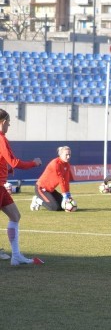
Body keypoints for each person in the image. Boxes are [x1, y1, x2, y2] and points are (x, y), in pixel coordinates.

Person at [0, 109, 44, 265]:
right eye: (9, 123)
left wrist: (6, 169)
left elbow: (6, 162)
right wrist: (34, 163)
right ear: (3, 122)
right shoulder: (1, 139)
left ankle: (16, 255)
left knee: (15, 216)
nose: (9, 126)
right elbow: (15, 162)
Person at [31, 146, 76, 212]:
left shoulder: (67, 165)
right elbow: (60, 179)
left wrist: (68, 194)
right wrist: (64, 194)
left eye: (69, 155)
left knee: (62, 207)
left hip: (50, 190)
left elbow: (66, 180)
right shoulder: (55, 163)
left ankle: (44, 200)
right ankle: (37, 200)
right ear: (61, 155)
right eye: (66, 155)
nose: (68, 157)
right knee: (54, 208)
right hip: (41, 188)